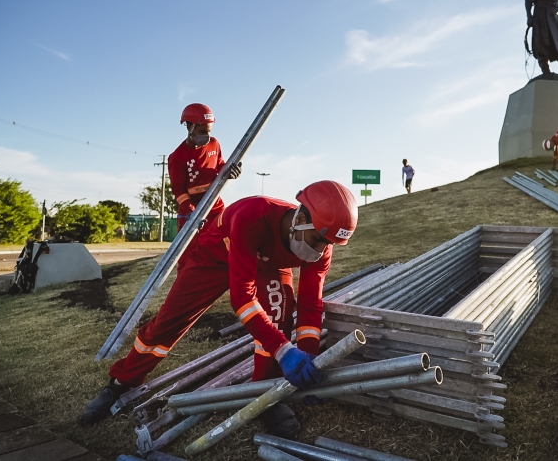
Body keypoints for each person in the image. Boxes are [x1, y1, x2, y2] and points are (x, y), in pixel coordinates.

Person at [79, 181, 358, 439]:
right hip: (214, 256)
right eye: (319, 241)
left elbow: (310, 304)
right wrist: (285, 352)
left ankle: (265, 392)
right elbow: (242, 299)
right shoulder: (254, 214)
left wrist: (309, 358)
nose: (322, 250)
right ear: (300, 218)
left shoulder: (321, 243)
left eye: (329, 244)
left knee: (277, 319)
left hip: (267, 263)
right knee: (169, 322)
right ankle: (122, 382)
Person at [169, 103, 241, 233]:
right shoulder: (178, 157)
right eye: (203, 131)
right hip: (191, 213)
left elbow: (219, 165)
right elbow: (178, 190)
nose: (207, 136)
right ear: (190, 126)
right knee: (192, 252)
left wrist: (230, 170)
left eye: (208, 131)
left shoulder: (214, 144)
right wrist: (191, 212)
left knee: (221, 248)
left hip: (214, 207)